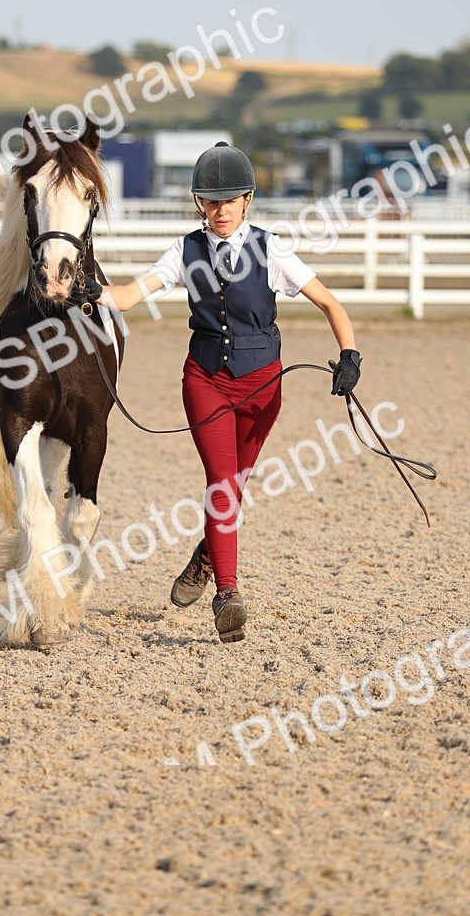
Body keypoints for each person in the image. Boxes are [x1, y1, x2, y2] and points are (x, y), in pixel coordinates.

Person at [97, 142, 361, 645]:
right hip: (205, 381)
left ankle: (204, 555)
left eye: (228, 201)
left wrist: (350, 356)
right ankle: (227, 593)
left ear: (247, 200)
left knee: (234, 488)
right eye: (209, 201)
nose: (219, 211)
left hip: (263, 386)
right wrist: (88, 291)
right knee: (221, 483)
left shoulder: (272, 249)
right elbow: (130, 296)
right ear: (200, 204)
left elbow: (330, 303)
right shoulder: (185, 250)